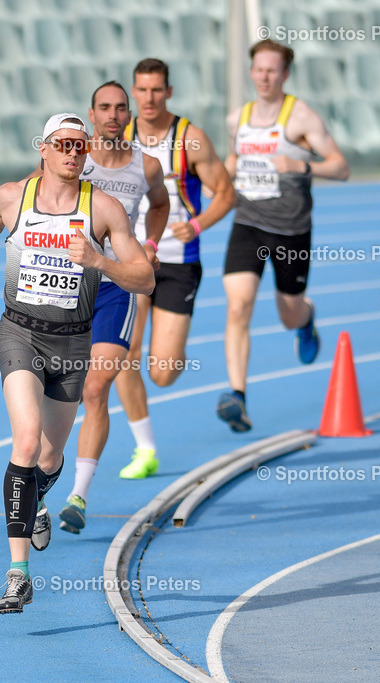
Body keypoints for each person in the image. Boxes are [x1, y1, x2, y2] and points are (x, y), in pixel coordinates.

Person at [0, 113, 154, 614]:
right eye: (62, 144)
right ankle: (17, 573)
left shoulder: (104, 208)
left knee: (47, 460)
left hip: (73, 344)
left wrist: (100, 262)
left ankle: (39, 497)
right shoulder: (12, 197)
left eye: (79, 144)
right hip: (19, 332)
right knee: (25, 441)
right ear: (43, 149)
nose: (71, 152)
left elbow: (144, 278)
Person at [26, 82, 169, 535]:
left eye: (120, 108)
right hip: (67, 292)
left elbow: (161, 205)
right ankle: (41, 484)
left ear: (129, 114)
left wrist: (148, 244)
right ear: (90, 116)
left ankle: (78, 496)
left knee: (96, 387)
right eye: (104, 108)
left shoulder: (145, 166)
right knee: (50, 398)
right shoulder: (70, 160)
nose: (112, 114)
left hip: (113, 290)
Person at [217, 39, 350, 432]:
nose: (263, 77)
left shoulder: (302, 118)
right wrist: (221, 182)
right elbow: (233, 159)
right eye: (258, 69)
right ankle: (236, 396)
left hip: (291, 230)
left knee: (287, 313)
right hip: (248, 222)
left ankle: (306, 318)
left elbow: (341, 167)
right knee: (238, 305)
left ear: (285, 74)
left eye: (272, 70)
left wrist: (299, 164)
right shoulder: (236, 120)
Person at [112, 57, 235, 478]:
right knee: (123, 355)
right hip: (131, 260)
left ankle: (173, 343)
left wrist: (198, 224)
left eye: (156, 90)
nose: (148, 99)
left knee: (162, 373)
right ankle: (145, 449)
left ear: (169, 92)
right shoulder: (118, 137)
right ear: (133, 92)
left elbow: (225, 192)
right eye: (141, 91)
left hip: (178, 262)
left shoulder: (190, 139)